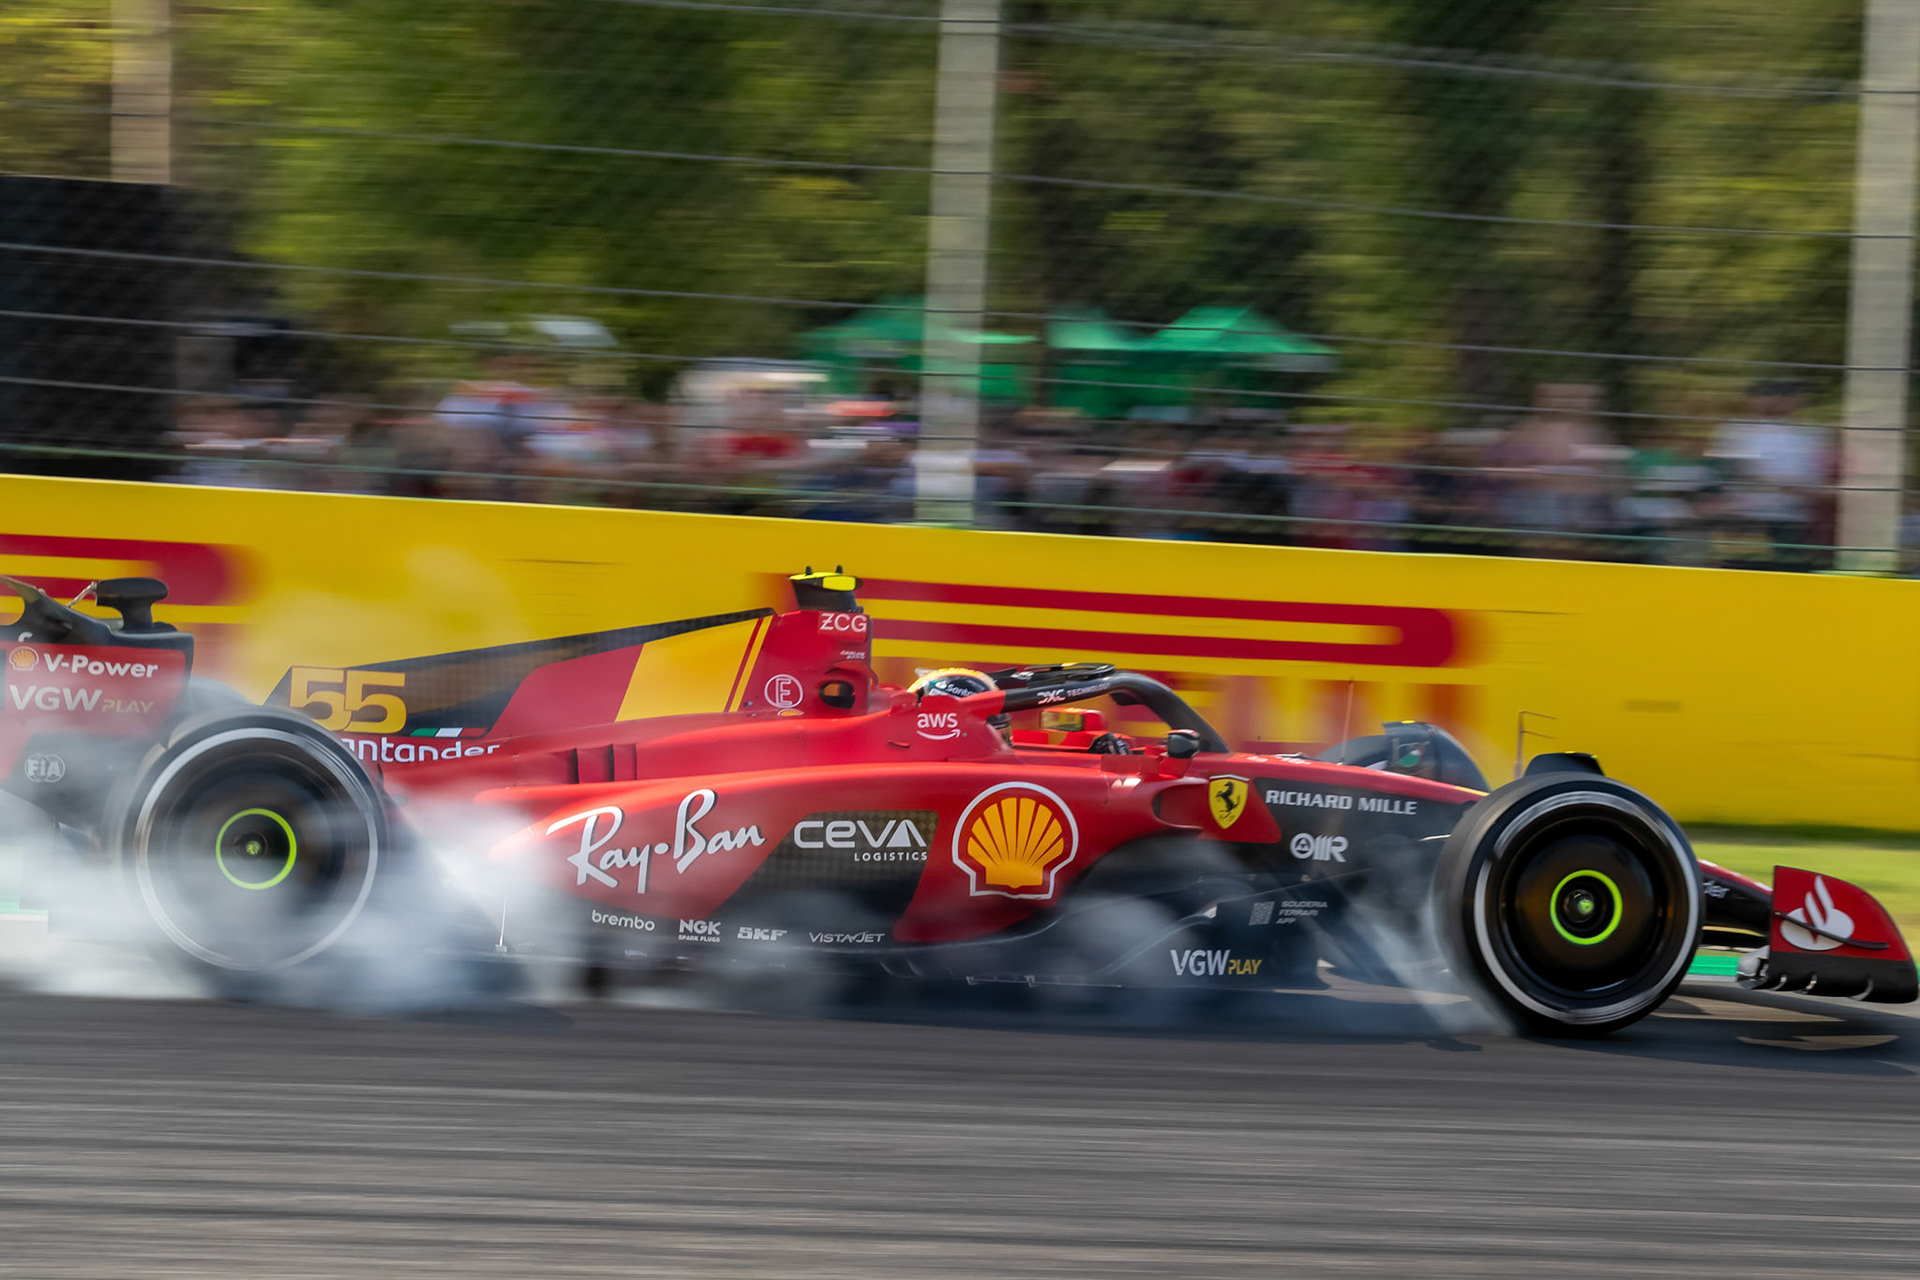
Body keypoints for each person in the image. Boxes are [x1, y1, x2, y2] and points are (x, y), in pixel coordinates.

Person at [1708, 380, 1832, 570]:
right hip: (1748, 520)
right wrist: (1789, 486)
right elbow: (1739, 471)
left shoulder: (1812, 433)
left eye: (1786, 395)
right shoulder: (1737, 430)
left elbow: (1819, 475)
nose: (1776, 400)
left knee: (1791, 575)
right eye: (1766, 395)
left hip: (1796, 520)